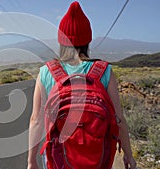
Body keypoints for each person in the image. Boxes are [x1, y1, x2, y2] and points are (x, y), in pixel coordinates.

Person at [27, 1, 137, 169]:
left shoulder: (46, 72)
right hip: (97, 158)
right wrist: (128, 155)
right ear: (88, 39)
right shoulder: (104, 71)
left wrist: (31, 161)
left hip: (59, 159)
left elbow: (36, 120)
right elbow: (118, 119)